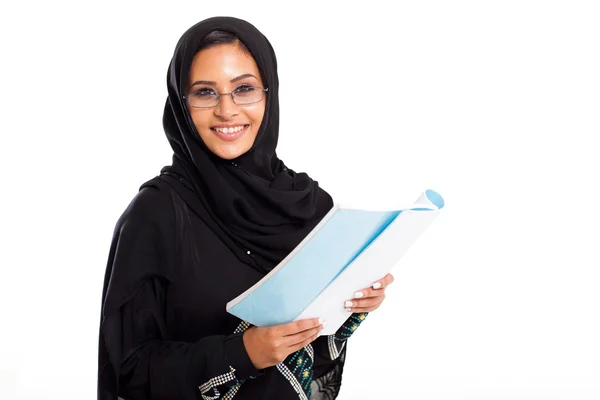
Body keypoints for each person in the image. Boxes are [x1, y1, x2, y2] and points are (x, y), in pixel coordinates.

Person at [97, 16, 395, 400]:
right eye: (205, 92)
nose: (227, 110)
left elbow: (314, 368)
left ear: (269, 95)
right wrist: (241, 354)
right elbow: (128, 368)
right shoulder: (157, 214)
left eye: (244, 89)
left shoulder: (309, 206)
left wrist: (350, 306)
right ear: (181, 104)